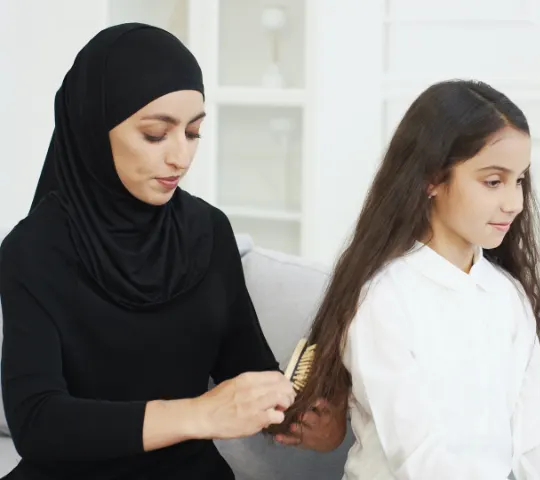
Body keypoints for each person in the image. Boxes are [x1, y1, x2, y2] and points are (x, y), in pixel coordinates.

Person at [0, 23, 346, 480]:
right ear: (92, 125)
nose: (180, 157)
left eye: (194, 132)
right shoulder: (32, 250)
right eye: (155, 135)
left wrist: (307, 420)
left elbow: (250, 372)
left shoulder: (208, 232)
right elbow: (38, 423)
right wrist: (199, 414)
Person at [279, 79, 540, 479]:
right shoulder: (384, 298)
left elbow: (537, 442)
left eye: (520, 180)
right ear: (432, 178)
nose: (514, 202)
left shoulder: (508, 296)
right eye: (493, 181)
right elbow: (420, 458)